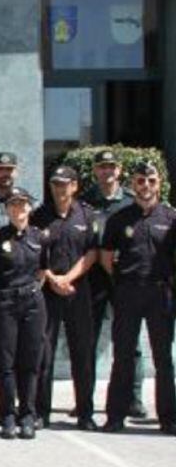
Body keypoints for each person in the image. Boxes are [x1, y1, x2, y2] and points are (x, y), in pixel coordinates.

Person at [99, 161, 176, 435]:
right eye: (141, 180)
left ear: (159, 184)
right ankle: (115, 417)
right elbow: (106, 258)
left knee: (163, 359)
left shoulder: (171, 217)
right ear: (133, 184)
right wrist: (122, 282)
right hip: (128, 292)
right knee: (122, 357)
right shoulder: (119, 218)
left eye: (151, 180)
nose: (146, 186)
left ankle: (169, 419)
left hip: (159, 293)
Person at [80, 149, 146, 419]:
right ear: (95, 171)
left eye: (111, 167)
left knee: (132, 343)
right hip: (94, 279)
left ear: (119, 171)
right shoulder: (84, 202)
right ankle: (85, 400)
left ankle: (134, 397)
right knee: (87, 341)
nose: (107, 171)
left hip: (124, 279)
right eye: (102, 167)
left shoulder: (130, 202)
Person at [31, 165, 97, 430]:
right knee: (43, 354)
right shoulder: (39, 216)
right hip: (47, 292)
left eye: (65, 184)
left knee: (83, 354)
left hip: (78, 292)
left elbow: (92, 253)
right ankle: (40, 412)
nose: (60, 188)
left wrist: (68, 278)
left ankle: (85, 413)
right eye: (55, 184)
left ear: (74, 186)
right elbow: (33, 252)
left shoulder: (87, 214)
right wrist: (52, 278)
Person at [0, 187, 47, 439]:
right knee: (5, 361)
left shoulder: (39, 237)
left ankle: (27, 415)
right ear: (7, 209)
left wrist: (31, 291)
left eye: (22, 205)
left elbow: (43, 270)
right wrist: (0, 294)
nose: (18, 210)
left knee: (30, 360)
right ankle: (8, 415)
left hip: (32, 301)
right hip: (5, 302)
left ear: (29, 208)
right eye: (13, 205)